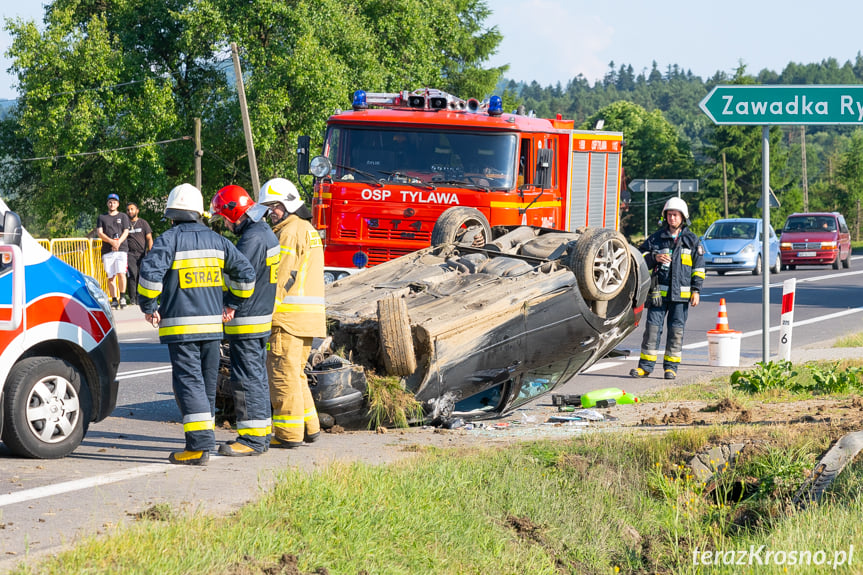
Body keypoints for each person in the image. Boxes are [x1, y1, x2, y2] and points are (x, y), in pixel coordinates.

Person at [138, 183, 256, 465]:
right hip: (213, 329)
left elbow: (150, 276)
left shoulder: (168, 240)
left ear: (172, 214)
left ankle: (199, 446)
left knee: (188, 384)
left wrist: (149, 306)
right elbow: (247, 275)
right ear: (199, 213)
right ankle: (202, 441)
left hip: (181, 328)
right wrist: (232, 302)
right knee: (204, 385)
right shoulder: (219, 241)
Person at [210, 185, 280, 456]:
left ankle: (251, 440)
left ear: (234, 212)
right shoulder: (265, 232)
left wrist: (229, 303)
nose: (225, 224)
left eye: (224, 218)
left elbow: (242, 278)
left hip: (248, 318)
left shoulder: (251, 238)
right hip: (259, 316)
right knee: (257, 376)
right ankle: (260, 435)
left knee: (246, 378)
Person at [259, 177, 324, 448]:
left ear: (287, 204)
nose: (269, 212)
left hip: (287, 319)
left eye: (273, 206)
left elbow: (281, 276)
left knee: (282, 377)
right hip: (307, 319)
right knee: (296, 374)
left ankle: (287, 435)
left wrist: (266, 315)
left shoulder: (288, 232)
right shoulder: (306, 228)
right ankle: (310, 428)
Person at [630, 197, 705, 380]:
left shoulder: (691, 241)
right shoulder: (656, 239)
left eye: (676, 215)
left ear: (683, 217)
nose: (672, 218)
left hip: (681, 296)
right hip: (658, 295)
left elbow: (699, 268)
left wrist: (696, 290)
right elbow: (639, 258)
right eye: (669, 215)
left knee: (676, 332)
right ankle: (645, 368)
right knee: (652, 331)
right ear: (665, 216)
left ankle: (671, 368)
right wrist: (654, 257)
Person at [97, 193, 132, 309]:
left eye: (114, 202)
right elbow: (100, 233)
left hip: (121, 249)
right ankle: (114, 299)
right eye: (110, 202)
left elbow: (126, 231)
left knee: (121, 273)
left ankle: (122, 296)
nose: (112, 204)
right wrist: (111, 242)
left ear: (118, 204)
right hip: (107, 250)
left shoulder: (123, 216)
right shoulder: (102, 217)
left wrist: (118, 242)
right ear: (107, 203)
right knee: (110, 276)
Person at [125, 202, 153, 306]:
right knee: (132, 275)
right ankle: (133, 299)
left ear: (137, 210)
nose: (130, 211)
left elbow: (149, 238)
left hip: (142, 254)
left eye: (132, 209)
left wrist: (150, 251)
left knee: (142, 275)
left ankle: (141, 298)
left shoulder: (143, 223)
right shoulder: (125, 224)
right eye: (128, 210)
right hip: (130, 254)